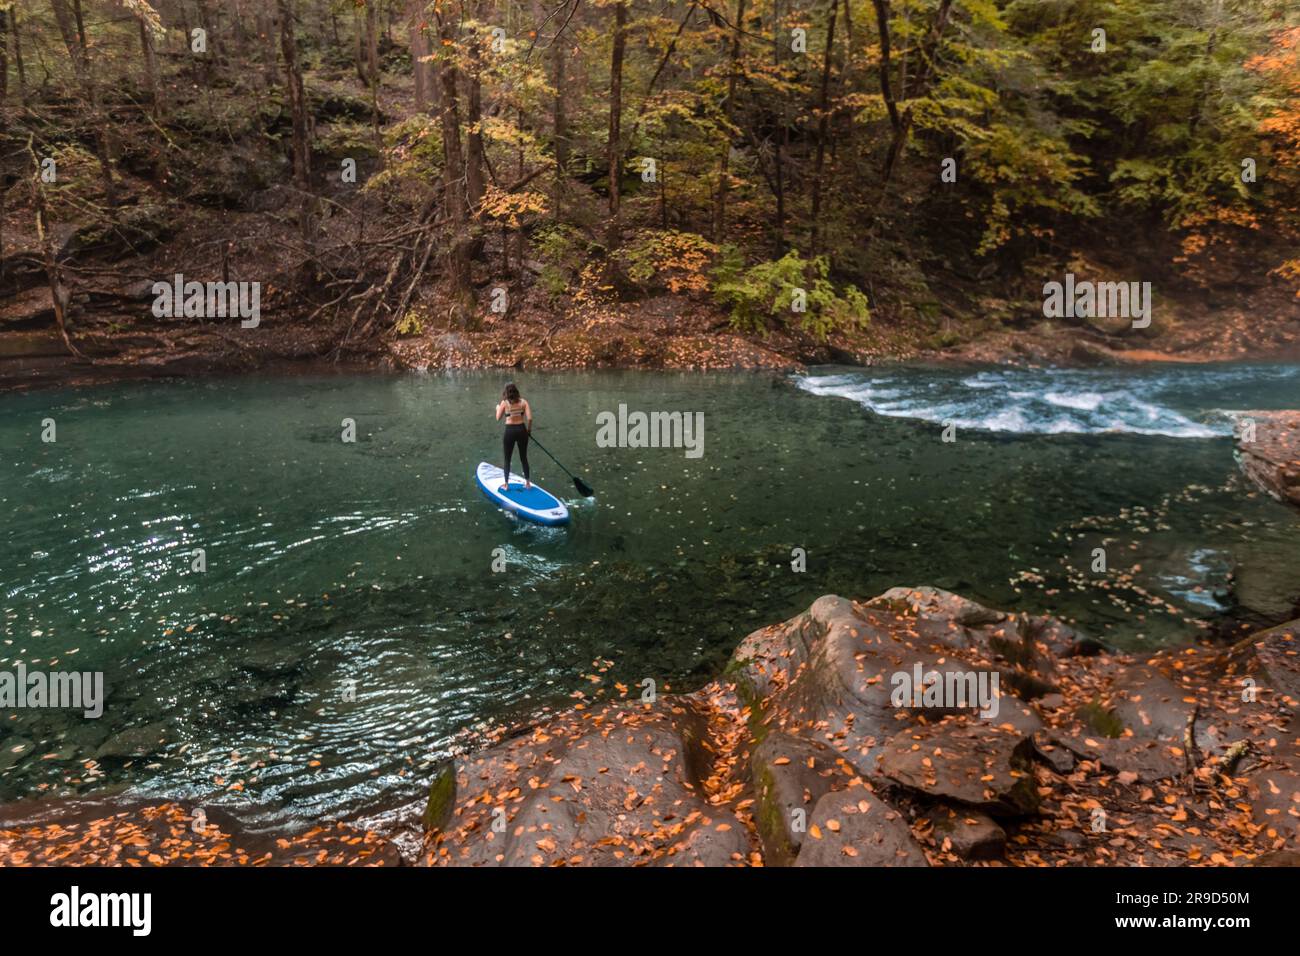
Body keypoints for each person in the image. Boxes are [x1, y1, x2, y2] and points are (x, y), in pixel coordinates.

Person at [495, 383, 532, 491]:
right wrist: (528, 431)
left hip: (510, 431)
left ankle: (506, 485)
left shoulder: (504, 403)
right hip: (522, 430)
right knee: (524, 458)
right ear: (516, 392)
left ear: (506, 393)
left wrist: (498, 408)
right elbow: (529, 419)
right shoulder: (523, 402)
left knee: (507, 459)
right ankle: (528, 483)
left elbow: (498, 418)